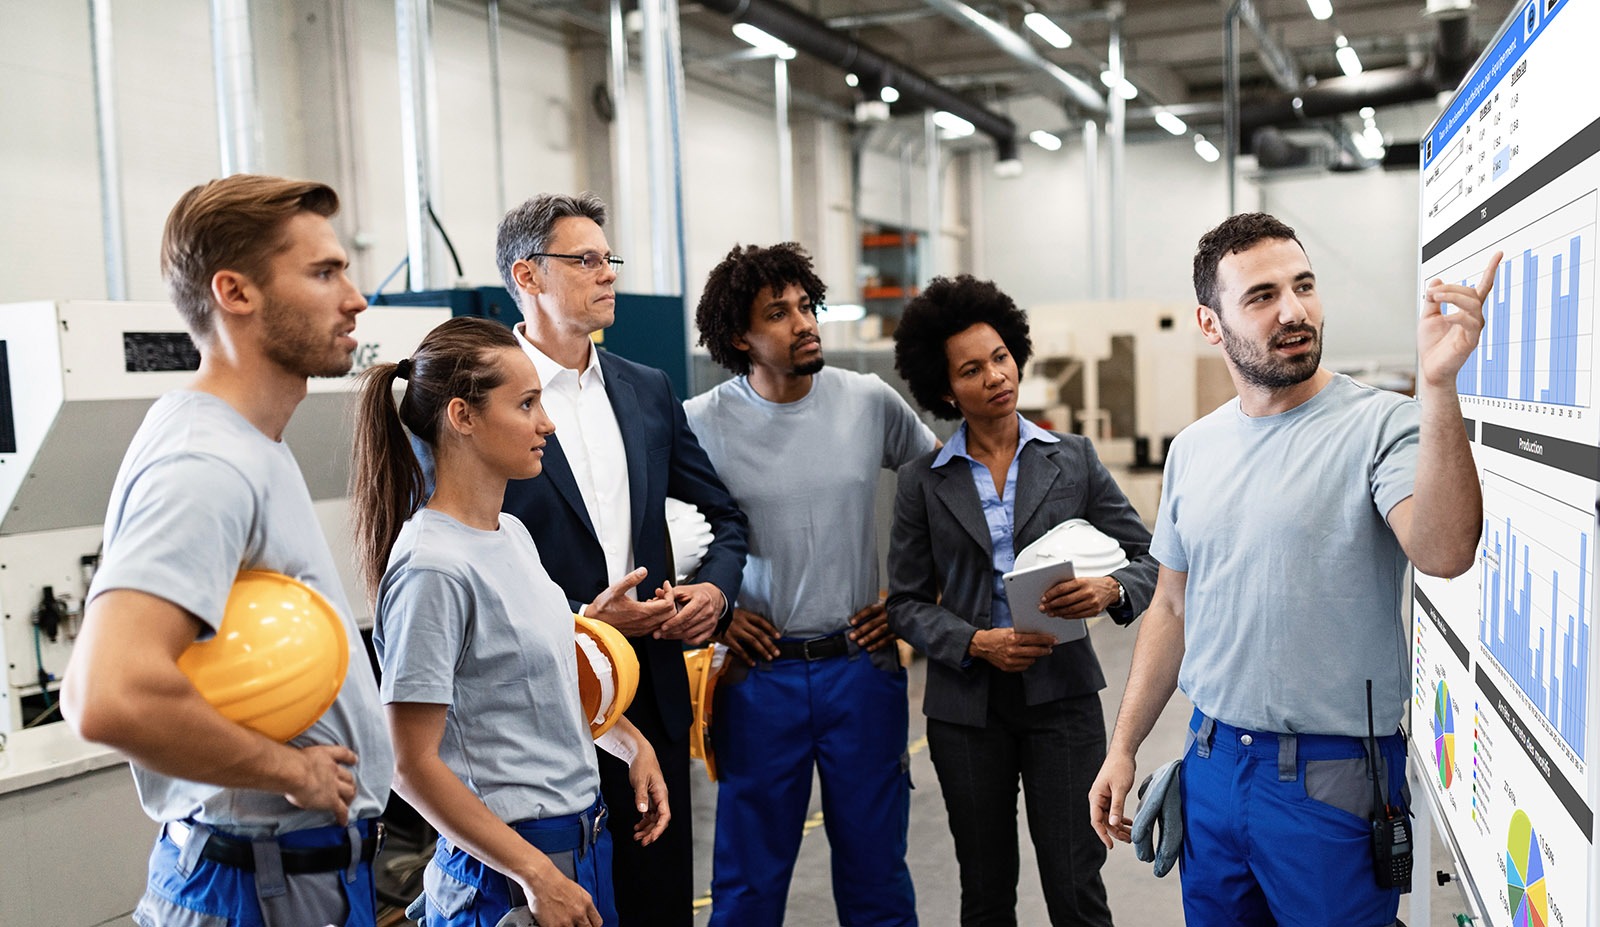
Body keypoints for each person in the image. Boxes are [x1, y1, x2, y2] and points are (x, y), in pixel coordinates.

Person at [1087, 213, 1495, 927]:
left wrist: (1439, 391)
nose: (1294, 310)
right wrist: (1122, 746)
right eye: (1262, 295)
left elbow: (1445, 551)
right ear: (1210, 324)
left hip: (1333, 775)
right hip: (1211, 763)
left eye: (1304, 286)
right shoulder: (1194, 448)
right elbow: (1171, 608)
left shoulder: (1381, 426)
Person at [60, 175, 393, 927]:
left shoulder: (251, 446)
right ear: (235, 292)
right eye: (324, 272)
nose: (356, 298)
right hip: (256, 887)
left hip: (298, 877)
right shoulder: (206, 461)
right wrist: (291, 769)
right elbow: (109, 693)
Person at [351, 316, 669, 927]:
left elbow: (537, 688)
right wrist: (535, 874)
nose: (546, 422)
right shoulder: (433, 568)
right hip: (508, 874)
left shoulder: (512, 535)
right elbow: (408, 763)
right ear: (462, 416)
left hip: (576, 847)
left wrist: (630, 744)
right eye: (525, 404)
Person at [495, 191, 749, 925]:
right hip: (538, 701)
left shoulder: (645, 389)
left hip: (654, 692)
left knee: (657, 902)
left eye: (610, 259)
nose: (608, 274)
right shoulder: (482, 395)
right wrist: (580, 623)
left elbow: (725, 515)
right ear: (530, 275)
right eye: (586, 260)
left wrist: (715, 595)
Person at [886, 275, 1157, 927]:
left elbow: (1151, 557)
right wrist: (976, 642)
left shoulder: (1072, 458)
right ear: (947, 388)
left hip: (1063, 699)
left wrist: (1110, 587)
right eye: (973, 369)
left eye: (1001, 357)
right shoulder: (925, 481)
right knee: (985, 890)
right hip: (966, 709)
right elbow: (906, 603)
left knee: (1075, 882)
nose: (996, 377)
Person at [683, 242, 936, 926]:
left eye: (806, 306)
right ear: (740, 336)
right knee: (746, 888)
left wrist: (910, 601)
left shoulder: (867, 401)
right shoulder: (699, 423)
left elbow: (943, 495)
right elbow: (661, 536)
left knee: (877, 879)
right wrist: (718, 613)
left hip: (861, 670)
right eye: (778, 313)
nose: (803, 323)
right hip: (756, 680)